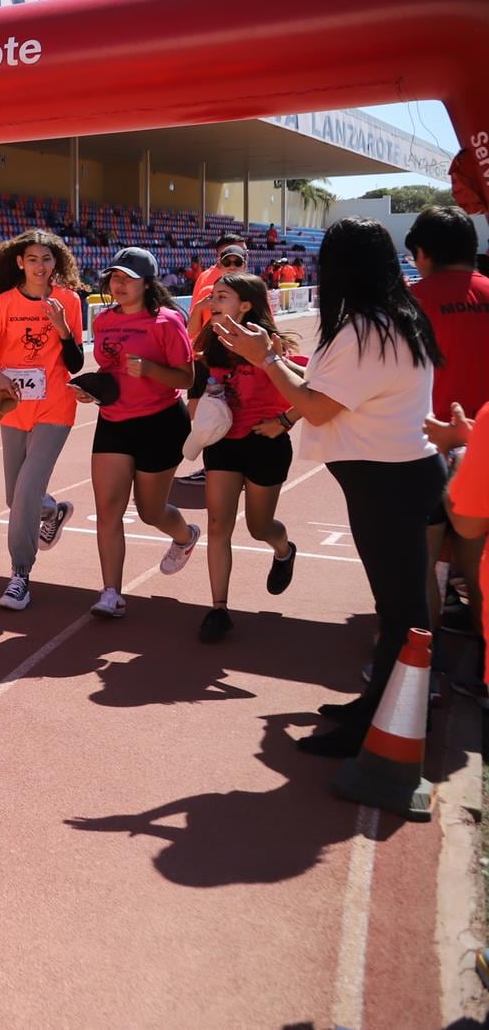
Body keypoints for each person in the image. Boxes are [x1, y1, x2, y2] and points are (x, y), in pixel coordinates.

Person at [219, 218, 444, 757]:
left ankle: (382, 729)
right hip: (391, 478)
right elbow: (324, 392)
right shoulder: (391, 319)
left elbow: (318, 408)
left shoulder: (368, 328)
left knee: (399, 613)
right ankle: (374, 709)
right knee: (396, 610)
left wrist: (266, 358)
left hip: (388, 481)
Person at [81, 248, 202, 619]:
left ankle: (185, 536)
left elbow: (187, 378)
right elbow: (108, 369)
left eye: (127, 278)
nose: (118, 284)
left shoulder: (166, 322)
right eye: (114, 277)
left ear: (147, 283)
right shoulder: (102, 321)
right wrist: (91, 389)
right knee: (107, 510)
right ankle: (111, 593)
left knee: (150, 512)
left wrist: (149, 369)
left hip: (160, 423)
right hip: (114, 421)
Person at [0, 230, 85, 610]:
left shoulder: (67, 300)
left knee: (26, 490)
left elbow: (77, 363)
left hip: (56, 407)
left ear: (57, 263)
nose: (40, 266)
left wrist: (64, 329)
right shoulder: (1, 306)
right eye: (32, 259)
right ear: (20, 262)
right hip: (14, 408)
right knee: (15, 496)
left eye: (47, 259)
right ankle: (54, 511)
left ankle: (20, 575)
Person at [189, 274, 300, 642]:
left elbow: (315, 387)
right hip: (224, 442)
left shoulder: (270, 343)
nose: (213, 301)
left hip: (264, 441)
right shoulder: (213, 343)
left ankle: (283, 550)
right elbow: (187, 360)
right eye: (211, 296)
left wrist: (284, 422)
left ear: (247, 305)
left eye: (222, 296)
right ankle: (219, 609)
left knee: (258, 527)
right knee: (218, 526)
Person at [406, 206, 489, 657]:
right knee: (480, 572)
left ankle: (421, 675)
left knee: (421, 565)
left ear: (423, 252)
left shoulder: (412, 301)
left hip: (428, 444)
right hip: (483, 443)